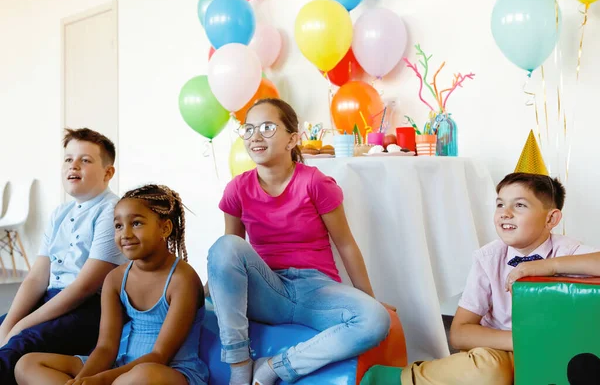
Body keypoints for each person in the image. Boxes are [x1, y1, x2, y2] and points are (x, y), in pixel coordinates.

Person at [207, 98, 393, 385]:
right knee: (224, 246)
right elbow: (229, 257)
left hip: (316, 291)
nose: (255, 136)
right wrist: (203, 293)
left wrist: (370, 299)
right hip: (266, 291)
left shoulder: (315, 183)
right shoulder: (237, 189)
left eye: (267, 127)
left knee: (376, 320)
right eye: (248, 129)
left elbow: (345, 244)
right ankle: (240, 365)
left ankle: (274, 367)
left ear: (292, 139)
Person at [363, 172, 598, 385]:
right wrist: (523, 341)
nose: (505, 213)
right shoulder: (488, 258)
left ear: (551, 219)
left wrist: (548, 266)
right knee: (489, 369)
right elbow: (459, 332)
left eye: (520, 205)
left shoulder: (565, 250)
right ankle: (399, 379)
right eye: (500, 204)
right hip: (502, 350)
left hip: (553, 348)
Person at [15, 184, 209, 385]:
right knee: (27, 364)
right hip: (119, 366)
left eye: (136, 223)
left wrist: (101, 380)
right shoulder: (115, 279)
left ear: (165, 228)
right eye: (118, 226)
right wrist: (83, 380)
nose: (125, 234)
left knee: (141, 377)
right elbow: (106, 348)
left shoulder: (182, 280)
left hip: (166, 372)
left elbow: (160, 356)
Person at [0, 128, 127, 384]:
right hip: (53, 300)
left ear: (108, 172)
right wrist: (9, 324)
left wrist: (20, 327)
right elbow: (36, 278)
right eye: (69, 159)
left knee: (14, 348)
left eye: (85, 160)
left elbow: (83, 288)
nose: (74, 166)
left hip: (91, 308)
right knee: (4, 330)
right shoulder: (60, 212)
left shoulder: (112, 211)